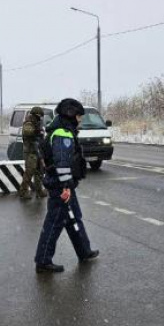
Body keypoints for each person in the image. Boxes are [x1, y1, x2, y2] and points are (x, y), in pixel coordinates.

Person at [34, 98, 99, 273]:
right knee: (54, 222)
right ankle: (43, 261)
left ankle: (84, 251)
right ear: (71, 115)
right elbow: (62, 163)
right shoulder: (63, 133)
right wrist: (66, 187)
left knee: (73, 218)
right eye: (79, 116)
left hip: (63, 185)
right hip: (60, 186)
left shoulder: (61, 130)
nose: (80, 120)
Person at [18, 106, 48, 200]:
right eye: (40, 115)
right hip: (30, 151)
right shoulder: (29, 121)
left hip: (38, 150)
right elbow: (28, 132)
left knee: (39, 172)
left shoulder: (37, 122)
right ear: (36, 114)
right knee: (29, 172)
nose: (41, 118)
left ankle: (39, 191)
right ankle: (23, 192)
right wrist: (37, 131)